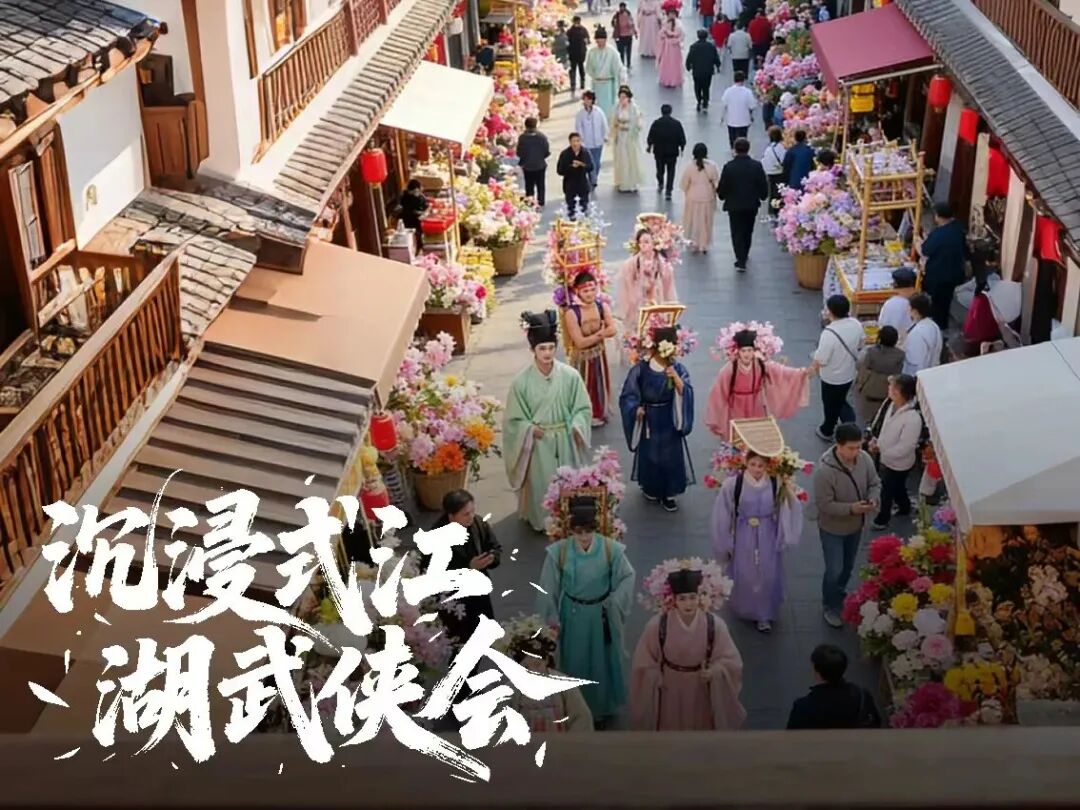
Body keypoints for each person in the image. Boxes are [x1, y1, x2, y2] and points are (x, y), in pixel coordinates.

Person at [537, 496, 636, 729]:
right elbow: (548, 587)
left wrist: (614, 601)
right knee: (575, 660)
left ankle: (601, 707)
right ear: (571, 530)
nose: (583, 537)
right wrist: (549, 619)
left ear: (595, 529)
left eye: (588, 531)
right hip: (572, 614)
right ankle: (576, 709)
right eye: (578, 532)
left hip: (601, 614)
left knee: (601, 661)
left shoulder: (610, 549)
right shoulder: (559, 552)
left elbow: (627, 576)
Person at [503, 310, 593, 532]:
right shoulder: (521, 382)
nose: (547, 353)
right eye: (542, 348)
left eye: (551, 347)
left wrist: (577, 425)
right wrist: (528, 429)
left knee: (569, 483)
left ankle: (572, 519)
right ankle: (544, 520)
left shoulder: (570, 376)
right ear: (533, 349)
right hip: (539, 442)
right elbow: (513, 420)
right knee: (543, 484)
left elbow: (582, 408)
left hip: (565, 438)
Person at [630, 568, 746, 730]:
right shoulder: (658, 625)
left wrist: (714, 671)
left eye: (692, 597)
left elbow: (731, 661)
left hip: (701, 687)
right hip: (670, 687)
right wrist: (655, 676)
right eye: (682, 599)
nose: (688, 603)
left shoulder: (715, 625)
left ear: (700, 597)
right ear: (673, 600)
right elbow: (643, 661)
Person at [712, 450, 804, 633]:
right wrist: (726, 540)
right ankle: (744, 606)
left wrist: (783, 534)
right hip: (743, 531)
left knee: (768, 572)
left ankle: (764, 613)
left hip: (767, 531)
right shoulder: (733, 484)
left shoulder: (776, 482)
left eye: (761, 465)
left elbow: (784, 508)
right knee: (745, 571)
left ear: (767, 466)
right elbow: (723, 513)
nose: (756, 469)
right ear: (746, 464)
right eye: (752, 464)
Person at [619, 326, 695, 512]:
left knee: (670, 456)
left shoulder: (677, 369)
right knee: (651, 455)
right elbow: (628, 395)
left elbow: (686, 391)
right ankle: (651, 487)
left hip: (669, 415)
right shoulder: (641, 369)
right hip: (649, 417)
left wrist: (677, 380)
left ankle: (669, 493)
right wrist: (635, 409)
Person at [813, 423, 881, 628]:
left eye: (858, 447)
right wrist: (852, 508)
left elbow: (875, 482)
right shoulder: (825, 472)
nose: (856, 452)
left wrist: (873, 498)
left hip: (856, 525)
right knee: (834, 569)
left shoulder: (865, 459)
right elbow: (824, 504)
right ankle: (829, 604)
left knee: (848, 566)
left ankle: (839, 592)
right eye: (851, 448)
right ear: (839, 445)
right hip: (832, 528)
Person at [705, 326, 809, 440]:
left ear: (754, 351)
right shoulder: (730, 369)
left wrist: (800, 373)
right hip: (737, 407)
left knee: (757, 437)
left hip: (756, 405)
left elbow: (780, 371)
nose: (746, 354)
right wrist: (719, 415)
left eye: (749, 350)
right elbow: (718, 393)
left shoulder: (760, 365)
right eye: (743, 351)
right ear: (738, 351)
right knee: (739, 438)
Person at [430, 489, 502, 646]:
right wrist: (467, 567)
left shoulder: (478, 524)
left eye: (472, 511)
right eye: (465, 514)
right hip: (455, 601)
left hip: (479, 594)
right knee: (461, 641)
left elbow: (495, 547)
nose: (471, 516)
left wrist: (492, 557)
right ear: (451, 516)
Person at [505, 623, 594, 732]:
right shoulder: (511, 690)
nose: (533, 671)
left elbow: (581, 717)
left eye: (537, 664)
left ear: (546, 660)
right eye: (525, 667)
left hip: (561, 741)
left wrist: (573, 741)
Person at [866, 374, 922, 531]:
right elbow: (882, 425)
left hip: (898, 463)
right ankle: (904, 507)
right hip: (885, 457)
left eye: (891, 386)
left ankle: (882, 518)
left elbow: (906, 447)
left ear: (898, 392)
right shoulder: (891, 404)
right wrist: (876, 441)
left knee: (886, 491)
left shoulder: (913, 419)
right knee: (897, 487)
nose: (888, 388)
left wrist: (881, 450)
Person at [565, 272, 617, 426]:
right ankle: (584, 416)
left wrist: (597, 336)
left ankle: (599, 412)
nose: (590, 294)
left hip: (599, 354)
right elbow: (580, 342)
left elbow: (613, 329)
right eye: (585, 291)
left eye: (593, 289)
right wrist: (601, 334)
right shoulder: (572, 313)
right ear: (577, 291)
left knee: (599, 383)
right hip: (581, 357)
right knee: (584, 385)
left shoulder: (601, 306)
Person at [787, 645, 882, 729]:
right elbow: (876, 723)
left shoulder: (802, 707)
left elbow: (792, 735)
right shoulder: (862, 696)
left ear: (818, 673)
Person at [809, 295, 863, 440]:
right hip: (849, 373)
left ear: (831, 312)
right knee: (840, 400)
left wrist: (811, 370)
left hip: (831, 377)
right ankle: (848, 425)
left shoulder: (829, 333)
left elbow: (822, 359)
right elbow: (860, 344)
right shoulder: (856, 324)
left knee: (831, 404)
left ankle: (828, 430)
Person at [717, 137, 769, 271]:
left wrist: (722, 195)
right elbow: (762, 183)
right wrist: (763, 196)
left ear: (735, 149)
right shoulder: (756, 166)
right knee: (748, 230)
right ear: (748, 149)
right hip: (751, 204)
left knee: (736, 231)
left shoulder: (729, 167)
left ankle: (740, 258)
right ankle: (744, 253)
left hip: (734, 205)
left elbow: (723, 185)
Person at [919, 202, 969, 331]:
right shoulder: (958, 230)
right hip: (954, 273)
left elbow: (926, 249)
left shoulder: (939, 234)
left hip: (938, 274)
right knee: (946, 301)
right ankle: (943, 326)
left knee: (937, 303)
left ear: (938, 216)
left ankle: (936, 327)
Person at [616, 229, 678, 329]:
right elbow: (628, 283)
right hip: (640, 299)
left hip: (657, 297)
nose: (643, 245)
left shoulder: (662, 263)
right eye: (640, 242)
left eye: (646, 242)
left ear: (654, 243)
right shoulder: (632, 263)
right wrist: (633, 298)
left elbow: (667, 285)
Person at [854, 325, 904, 426]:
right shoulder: (900, 355)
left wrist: (859, 386)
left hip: (870, 391)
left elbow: (861, 368)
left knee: (865, 419)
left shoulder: (871, 353)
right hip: (887, 392)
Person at [679, 143, 720, 253]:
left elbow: (684, 184)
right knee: (706, 222)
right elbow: (716, 183)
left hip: (692, 197)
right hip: (707, 197)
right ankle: (704, 244)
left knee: (692, 221)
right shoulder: (712, 166)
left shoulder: (689, 167)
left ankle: (694, 242)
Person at [646, 104, 687, 200]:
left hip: (659, 152)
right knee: (671, 171)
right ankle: (669, 190)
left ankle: (660, 183)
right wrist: (681, 147)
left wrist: (650, 146)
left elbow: (651, 136)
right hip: (672, 152)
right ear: (670, 112)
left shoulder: (656, 123)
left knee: (660, 170)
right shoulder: (676, 124)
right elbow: (682, 138)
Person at [609, 86, 645, 192]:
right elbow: (613, 120)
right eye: (620, 97)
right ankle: (622, 181)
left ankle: (631, 183)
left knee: (631, 160)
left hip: (630, 137)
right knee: (621, 159)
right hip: (620, 136)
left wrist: (634, 128)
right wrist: (615, 127)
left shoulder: (634, 108)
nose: (622, 99)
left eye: (624, 97)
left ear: (628, 98)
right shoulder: (617, 108)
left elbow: (639, 122)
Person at [574, 91, 609, 189]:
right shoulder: (580, 114)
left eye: (588, 99)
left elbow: (604, 124)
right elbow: (578, 127)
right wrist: (580, 139)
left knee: (596, 163)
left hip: (598, 142)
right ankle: (592, 180)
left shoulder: (599, 112)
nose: (586, 101)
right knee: (589, 163)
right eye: (585, 99)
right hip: (586, 143)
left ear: (592, 100)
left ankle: (594, 178)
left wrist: (605, 136)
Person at [903, 293, 943, 376]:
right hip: (933, 371)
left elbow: (914, 362)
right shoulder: (934, 326)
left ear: (915, 311)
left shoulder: (917, 333)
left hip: (918, 375)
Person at [557, 132, 595, 219]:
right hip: (569, 184)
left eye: (577, 141)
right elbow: (560, 170)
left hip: (582, 184)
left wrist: (582, 165)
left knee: (583, 208)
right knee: (571, 209)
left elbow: (591, 167)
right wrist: (570, 167)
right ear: (570, 142)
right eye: (573, 141)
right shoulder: (565, 154)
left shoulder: (585, 152)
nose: (575, 144)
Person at [585, 27, 622, 114]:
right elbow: (588, 68)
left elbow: (617, 68)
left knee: (609, 109)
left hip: (609, 84)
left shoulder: (612, 52)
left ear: (605, 40)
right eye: (598, 41)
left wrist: (617, 84)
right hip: (596, 84)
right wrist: (595, 76)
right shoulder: (592, 52)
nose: (600, 43)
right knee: (597, 108)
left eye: (602, 40)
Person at [516, 117, 550, 207]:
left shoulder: (522, 138)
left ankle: (530, 202)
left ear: (525, 126)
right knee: (540, 185)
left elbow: (519, 152)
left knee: (529, 185)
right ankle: (541, 202)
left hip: (527, 166)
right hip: (540, 165)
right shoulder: (542, 137)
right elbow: (546, 151)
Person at [685, 29, 722, 112]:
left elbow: (689, 58)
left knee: (697, 86)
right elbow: (715, 57)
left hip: (697, 71)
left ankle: (699, 100)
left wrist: (688, 66)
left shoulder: (694, 46)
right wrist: (718, 65)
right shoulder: (711, 46)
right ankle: (705, 102)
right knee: (706, 87)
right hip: (708, 71)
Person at [719, 70, 756, 149]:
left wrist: (722, 117)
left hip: (731, 120)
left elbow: (724, 104)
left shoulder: (728, 91)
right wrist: (751, 115)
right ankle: (742, 150)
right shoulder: (747, 92)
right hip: (744, 120)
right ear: (743, 80)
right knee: (743, 138)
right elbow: (752, 106)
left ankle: (733, 149)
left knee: (732, 138)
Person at [878, 267, 917, 339]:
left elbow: (881, 325)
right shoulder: (913, 305)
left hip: (889, 341)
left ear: (894, 284)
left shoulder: (889, 303)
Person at [761, 125, 786, 221]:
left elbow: (764, 162)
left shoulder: (769, 149)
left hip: (770, 173)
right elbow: (784, 160)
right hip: (779, 173)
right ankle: (778, 210)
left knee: (772, 192)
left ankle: (772, 211)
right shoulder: (781, 148)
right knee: (778, 192)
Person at [397, 179, 428, 253]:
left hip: (417, 220)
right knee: (412, 237)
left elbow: (425, 205)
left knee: (419, 235)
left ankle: (419, 248)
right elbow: (407, 209)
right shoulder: (405, 197)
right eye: (415, 191)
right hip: (409, 220)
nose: (417, 192)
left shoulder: (420, 196)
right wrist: (418, 212)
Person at [657, 11, 685, 88]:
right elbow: (660, 34)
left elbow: (682, 35)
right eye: (670, 14)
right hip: (667, 47)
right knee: (666, 63)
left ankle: (674, 80)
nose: (671, 16)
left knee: (674, 63)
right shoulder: (665, 23)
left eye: (673, 14)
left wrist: (675, 39)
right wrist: (665, 36)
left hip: (675, 48)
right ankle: (666, 80)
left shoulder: (679, 24)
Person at [567, 16, 590, 93]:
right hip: (579, 52)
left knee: (575, 68)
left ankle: (574, 84)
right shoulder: (583, 30)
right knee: (579, 68)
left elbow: (567, 42)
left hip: (575, 52)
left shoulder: (570, 31)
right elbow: (588, 40)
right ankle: (580, 83)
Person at [611, 3, 637, 69]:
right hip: (621, 36)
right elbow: (613, 23)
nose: (622, 9)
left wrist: (635, 32)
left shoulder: (627, 14)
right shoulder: (617, 15)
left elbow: (632, 24)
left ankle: (627, 63)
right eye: (621, 7)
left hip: (627, 35)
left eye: (623, 7)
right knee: (622, 51)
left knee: (627, 51)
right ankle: (623, 64)